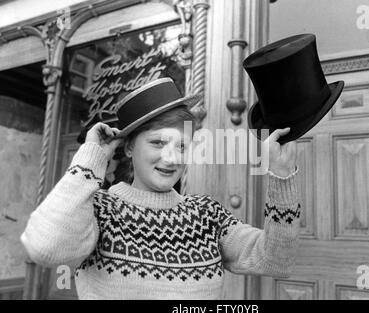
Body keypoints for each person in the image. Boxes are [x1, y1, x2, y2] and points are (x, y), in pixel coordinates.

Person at [20, 77, 301, 299]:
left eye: (182, 146)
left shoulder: (206, 214)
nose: (172, 157)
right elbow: (44, 247)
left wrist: (281, 177)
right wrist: (93, 155)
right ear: (129, 147)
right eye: (157, 143)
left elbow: (276, 260)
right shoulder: (99, 210)